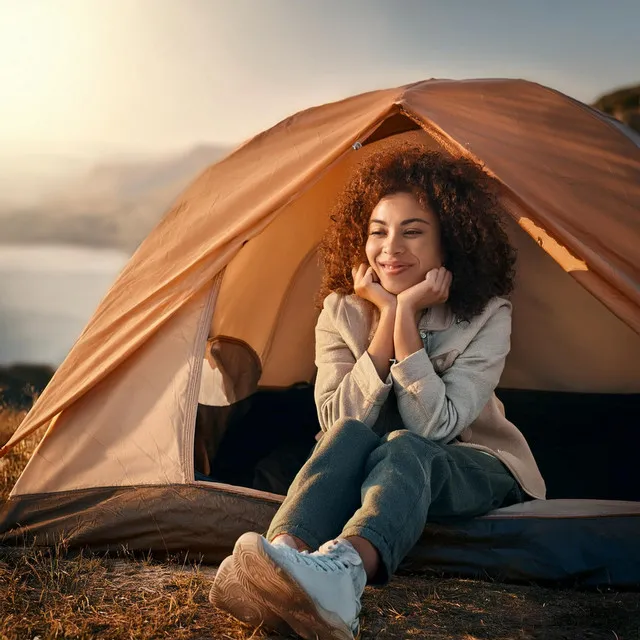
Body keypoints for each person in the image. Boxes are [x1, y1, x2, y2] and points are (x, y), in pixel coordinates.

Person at [209, 147, 545, 640]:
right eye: (378, 231)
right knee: (346, 433)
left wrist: (403, 315)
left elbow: (434, 428)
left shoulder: (489, 315)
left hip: (473, 463)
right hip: (374, 460)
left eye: (412, 231)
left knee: (405, 445)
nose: (390, 248)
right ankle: (283, 561)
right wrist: (385, 318)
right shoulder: (340, 311)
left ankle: (344, 577)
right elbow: (337, 419)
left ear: (448, 244)